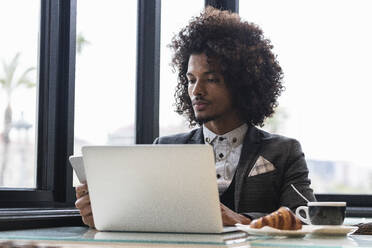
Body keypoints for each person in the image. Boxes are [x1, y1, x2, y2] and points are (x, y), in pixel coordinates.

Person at [75, 6, 316, 228]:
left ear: (242, 83)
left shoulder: (284, 152)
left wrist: (241, 221)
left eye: (211, 79)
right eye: (191, 80)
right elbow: (154, 219)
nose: (196, 91)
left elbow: (305, 217)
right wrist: (105, 217)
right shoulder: (166, 148)